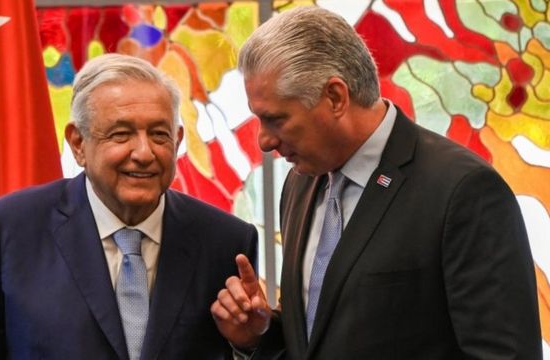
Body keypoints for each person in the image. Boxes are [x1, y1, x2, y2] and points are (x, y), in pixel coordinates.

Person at [211, 6, 541, 359]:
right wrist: (257, 335)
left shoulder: (462, 191)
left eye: (275, 119)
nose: (264, 141)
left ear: (336, 97)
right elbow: (318, 337)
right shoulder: (299, 185)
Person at [0, 54, 258, 359]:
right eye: (121, 135)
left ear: (177, 140)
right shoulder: (6, 231)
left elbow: (247, 344)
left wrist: (249, 344)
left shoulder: (226, 241)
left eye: (159, 135)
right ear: (78, 144)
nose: (145, 152)